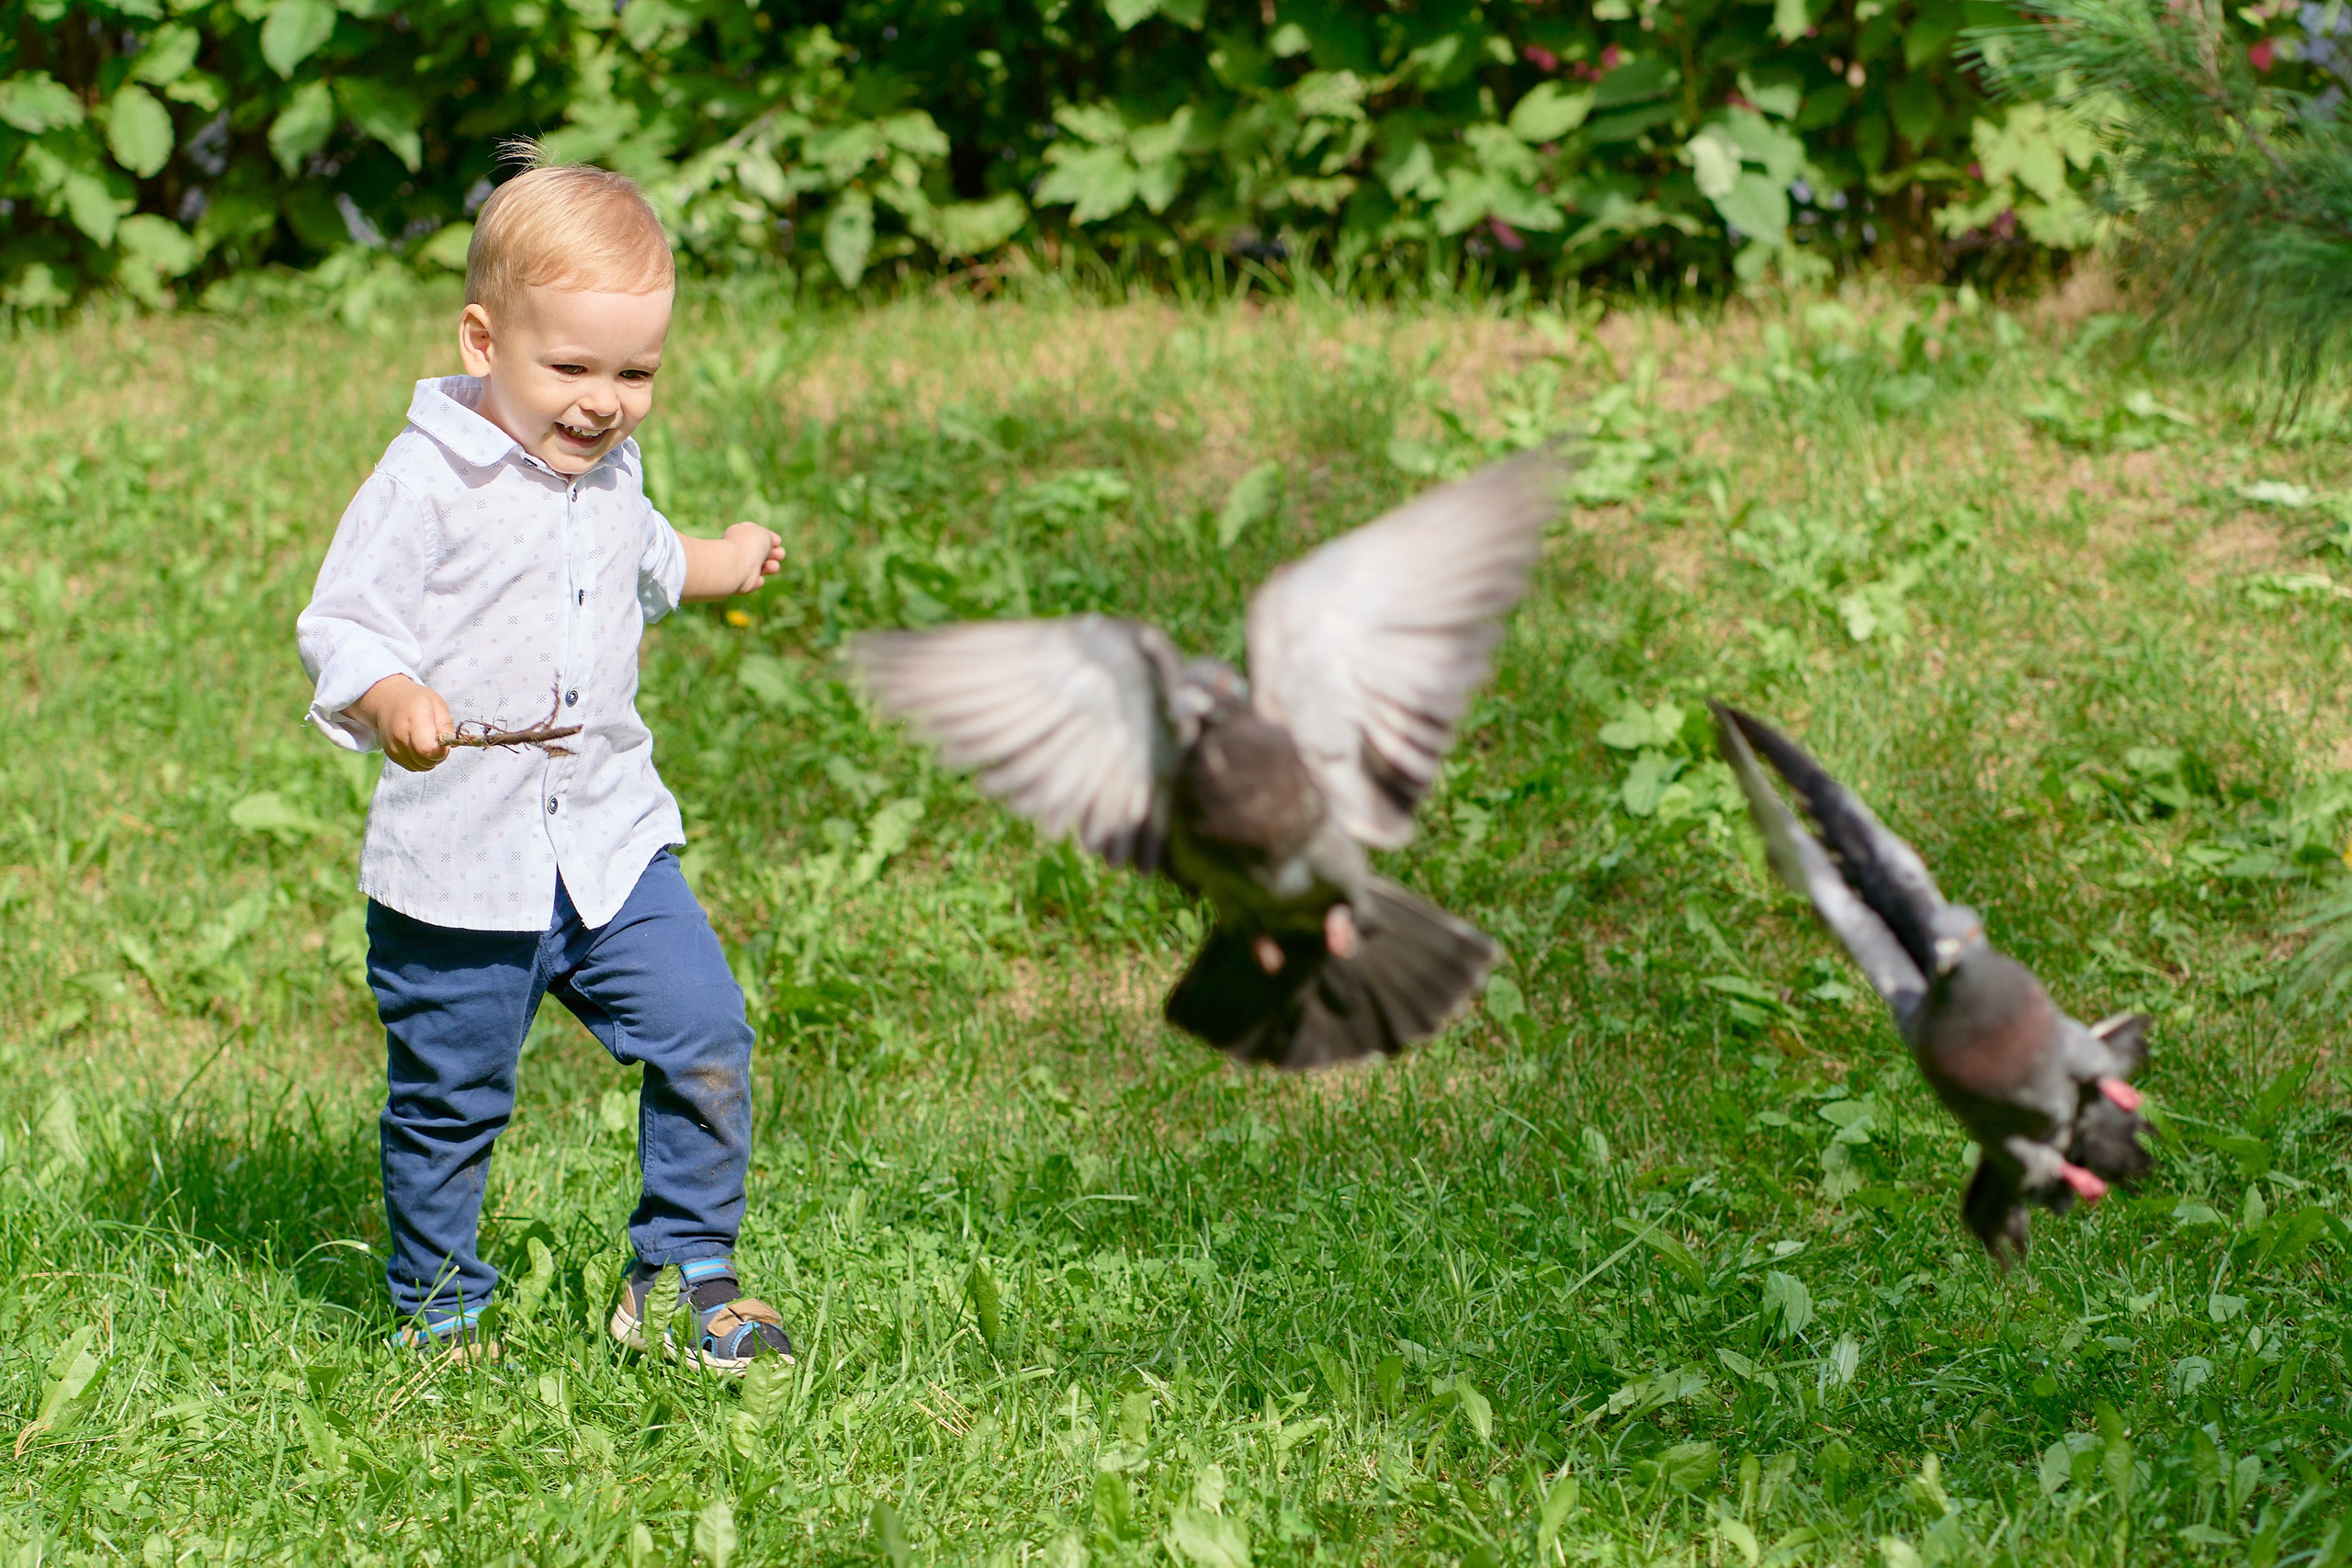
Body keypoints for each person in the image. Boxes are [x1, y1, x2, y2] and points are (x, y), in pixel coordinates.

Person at [295, 151, 792, 1370]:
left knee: (706, 1033)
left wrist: (727, 557)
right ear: (483, 340)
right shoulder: (427, 483)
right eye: (569, 367)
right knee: (452, 1101)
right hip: (460, 868)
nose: (604, 401)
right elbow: (342, 625)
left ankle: (681, 1275)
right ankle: (440, 1303)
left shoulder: (608, 469)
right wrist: (393, 692)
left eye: (637, 373)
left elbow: (649, 556)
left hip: (611, 844)